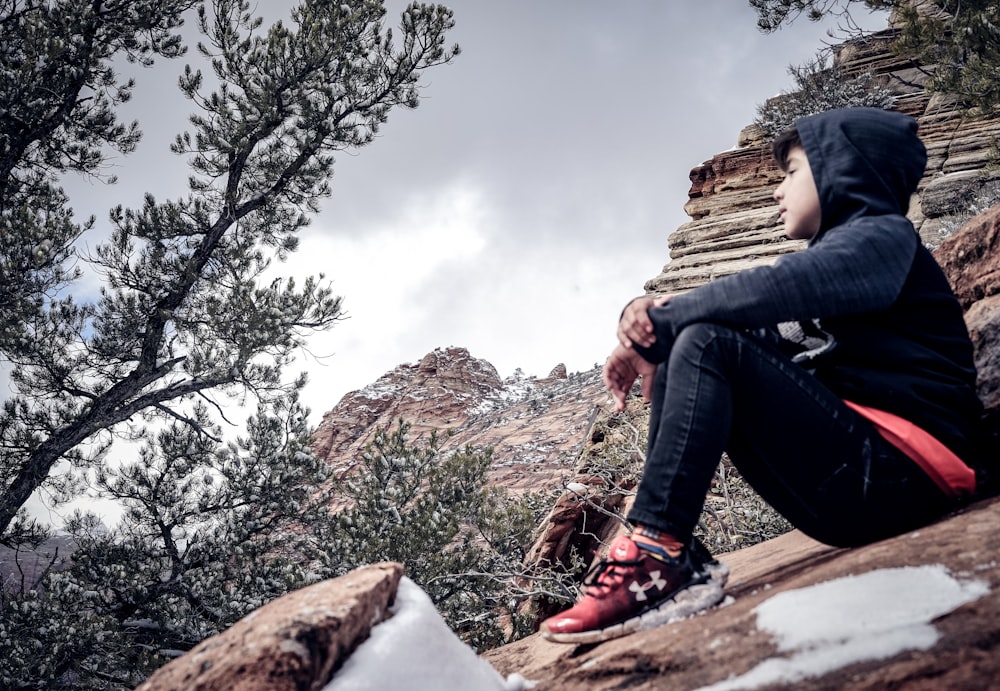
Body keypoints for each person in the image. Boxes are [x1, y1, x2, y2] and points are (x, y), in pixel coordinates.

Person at [540, 106, 992, 644]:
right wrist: (653, 332)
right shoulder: (846, 266)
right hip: (853, 492)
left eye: (793, 172)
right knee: (703, 343)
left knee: (705, 339)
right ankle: (669, 556)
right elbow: (743, 339)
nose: (779, 191)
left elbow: (767, 289)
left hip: (909, 473)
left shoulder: (883, 239)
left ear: (842, 169)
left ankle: (659, 552)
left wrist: (655, 326)